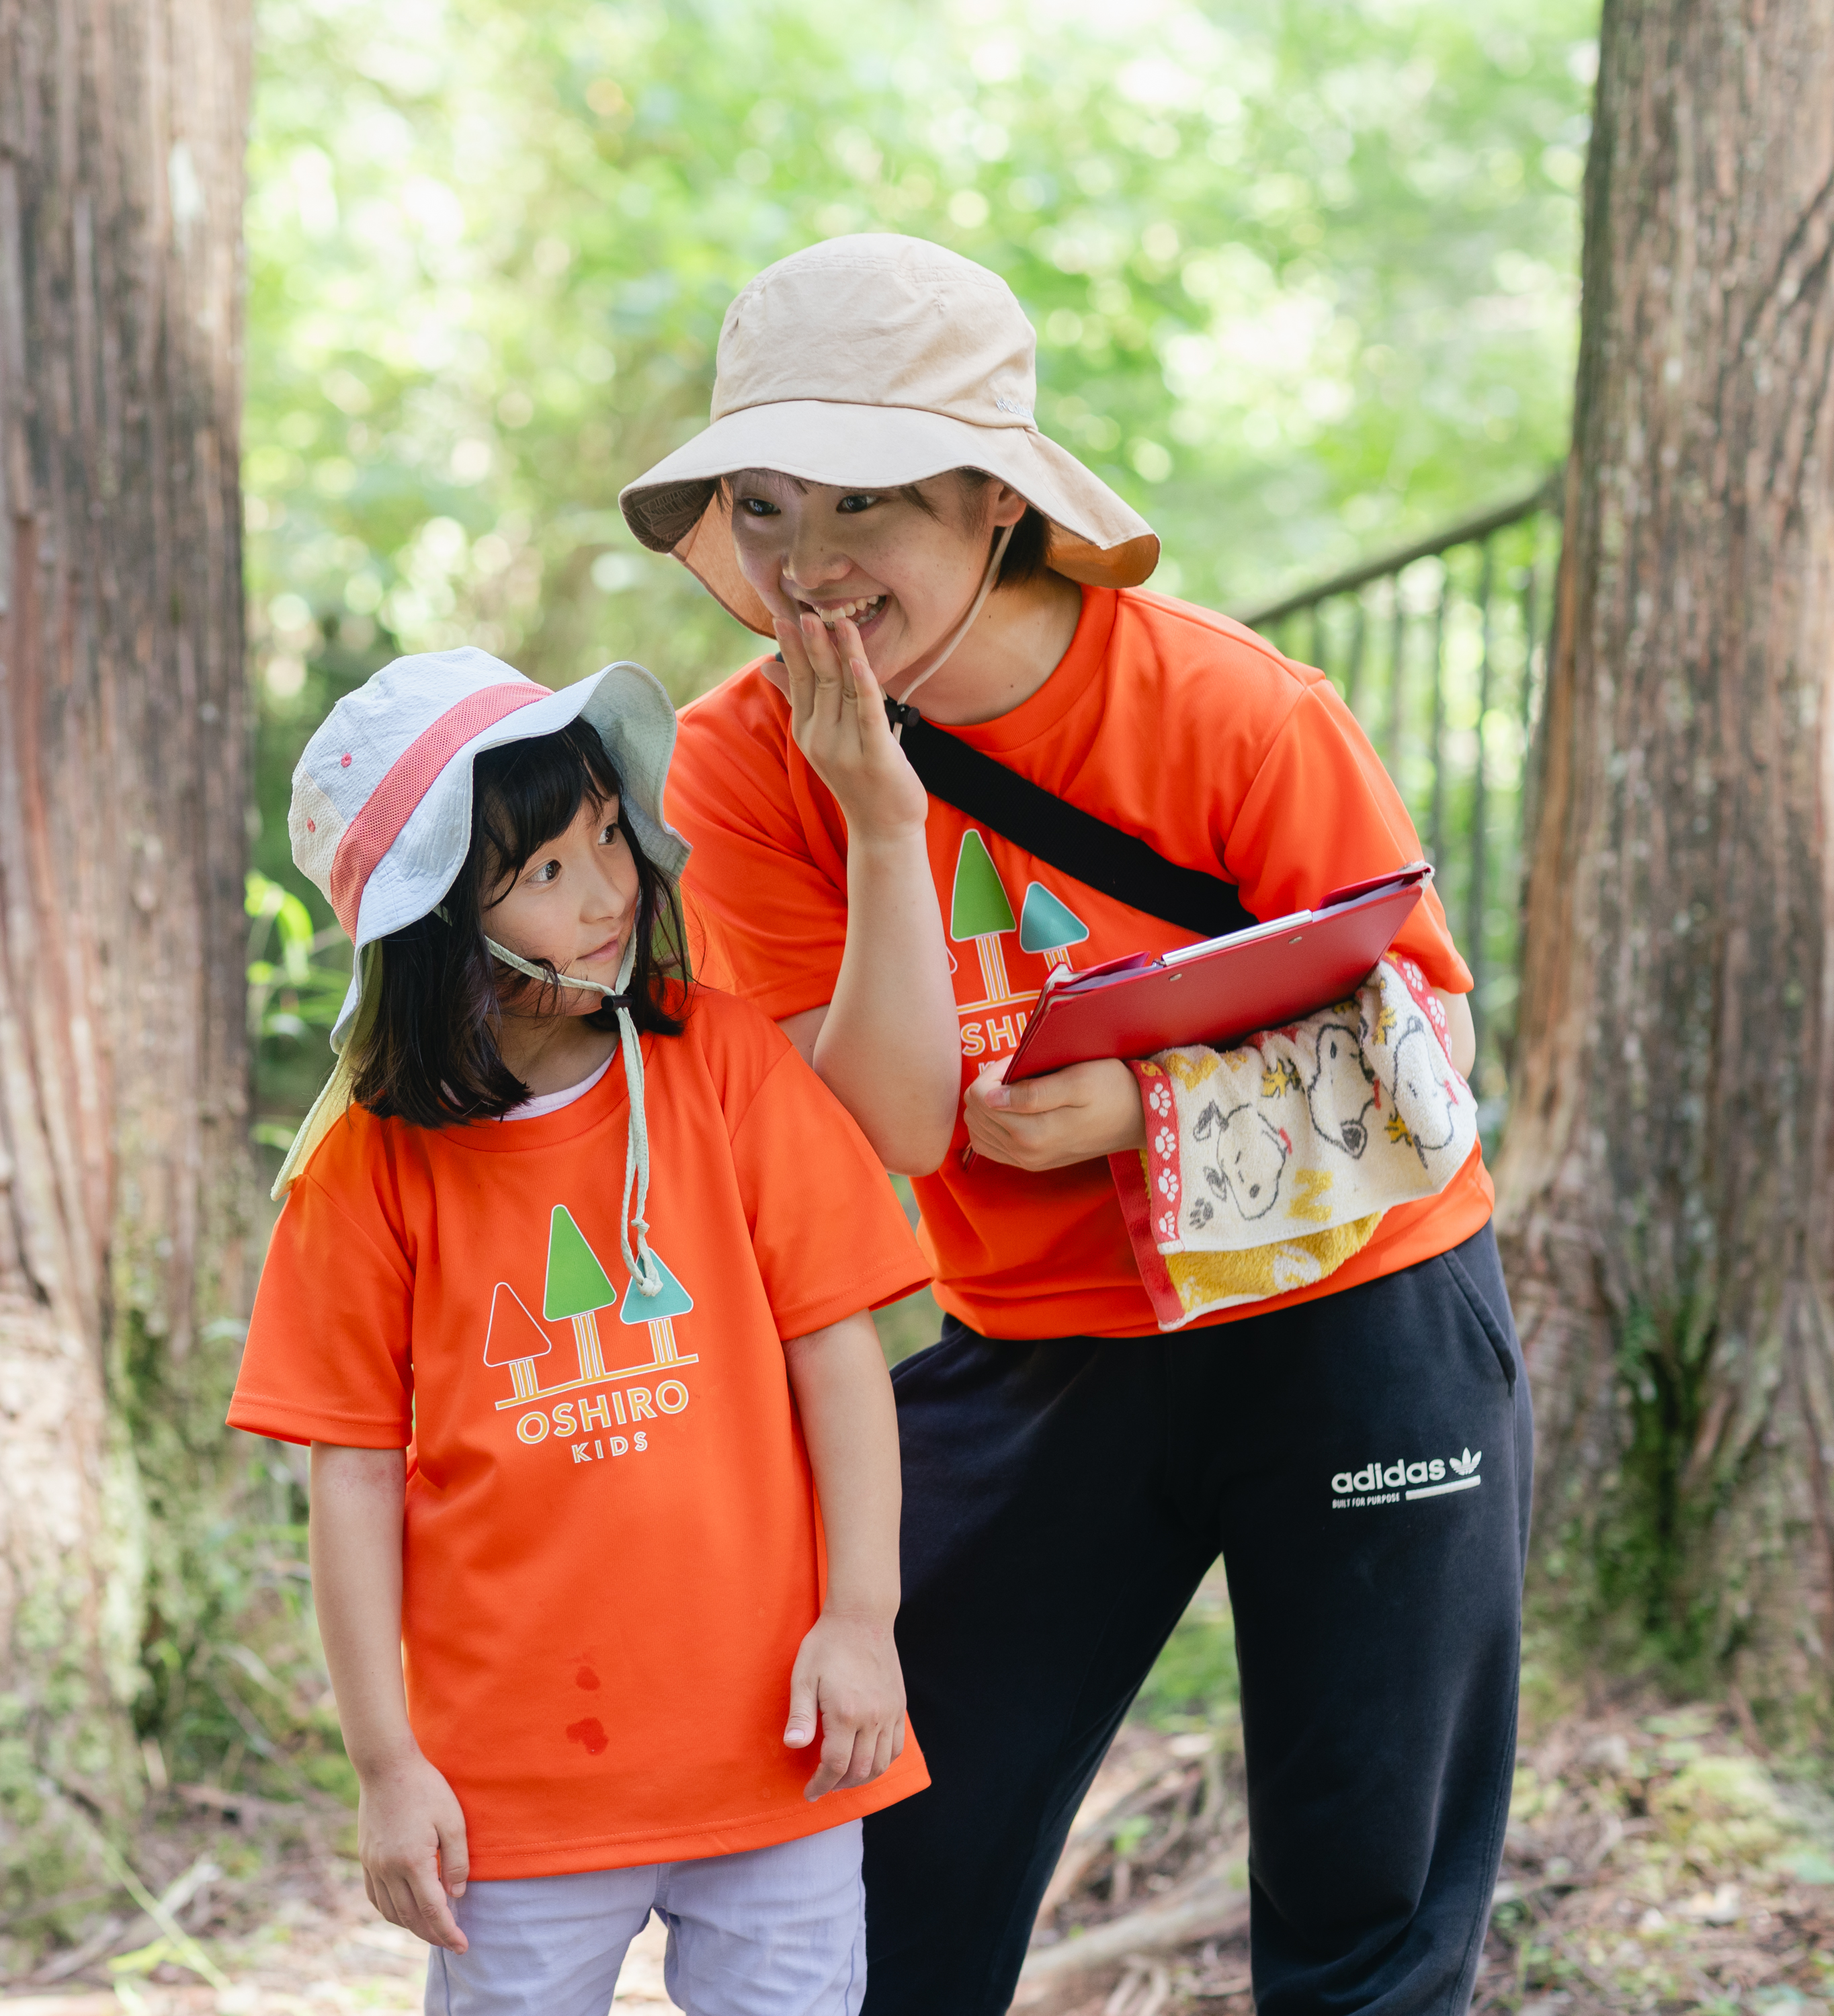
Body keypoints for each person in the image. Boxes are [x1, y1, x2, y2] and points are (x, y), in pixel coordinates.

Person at [622, 235, 1530, 2015]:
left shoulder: (1226, 708)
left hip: (1354, 1316)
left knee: (1370, 1886)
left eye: (864, 503)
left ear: (987, 500)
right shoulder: (737, 767)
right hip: (1032, 1343)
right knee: (882, 1853)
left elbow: (1425, 1044)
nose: (805, 566)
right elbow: (878, 1124)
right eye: (761, 505)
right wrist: (879, 824)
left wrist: (1153, 1113)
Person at [231, 646, 935, 2016]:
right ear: (440, 917)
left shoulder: (724, 1063)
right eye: (547, 871)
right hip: (513, 1797)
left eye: (609, 837)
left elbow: (839, 1357)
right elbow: (353, 1476)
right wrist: (387, 1766)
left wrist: (863, 1617)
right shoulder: (365, 1167)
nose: (609, 890)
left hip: (778, 1747)